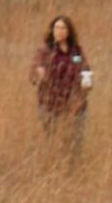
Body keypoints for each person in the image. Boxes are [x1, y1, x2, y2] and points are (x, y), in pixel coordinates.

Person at [30, 15, 90, 163]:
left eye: (63, 28)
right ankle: (53, 169)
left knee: (74, 143)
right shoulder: (45, 51)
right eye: (57, 28)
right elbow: (33, 73)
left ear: (69, 31)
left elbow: (85, 70)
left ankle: (73, 173)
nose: (59, 31)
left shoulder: (76, 52)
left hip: (75, 105)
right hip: (50, 105)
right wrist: (39, 73)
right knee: (53, 141)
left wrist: (86, 81)